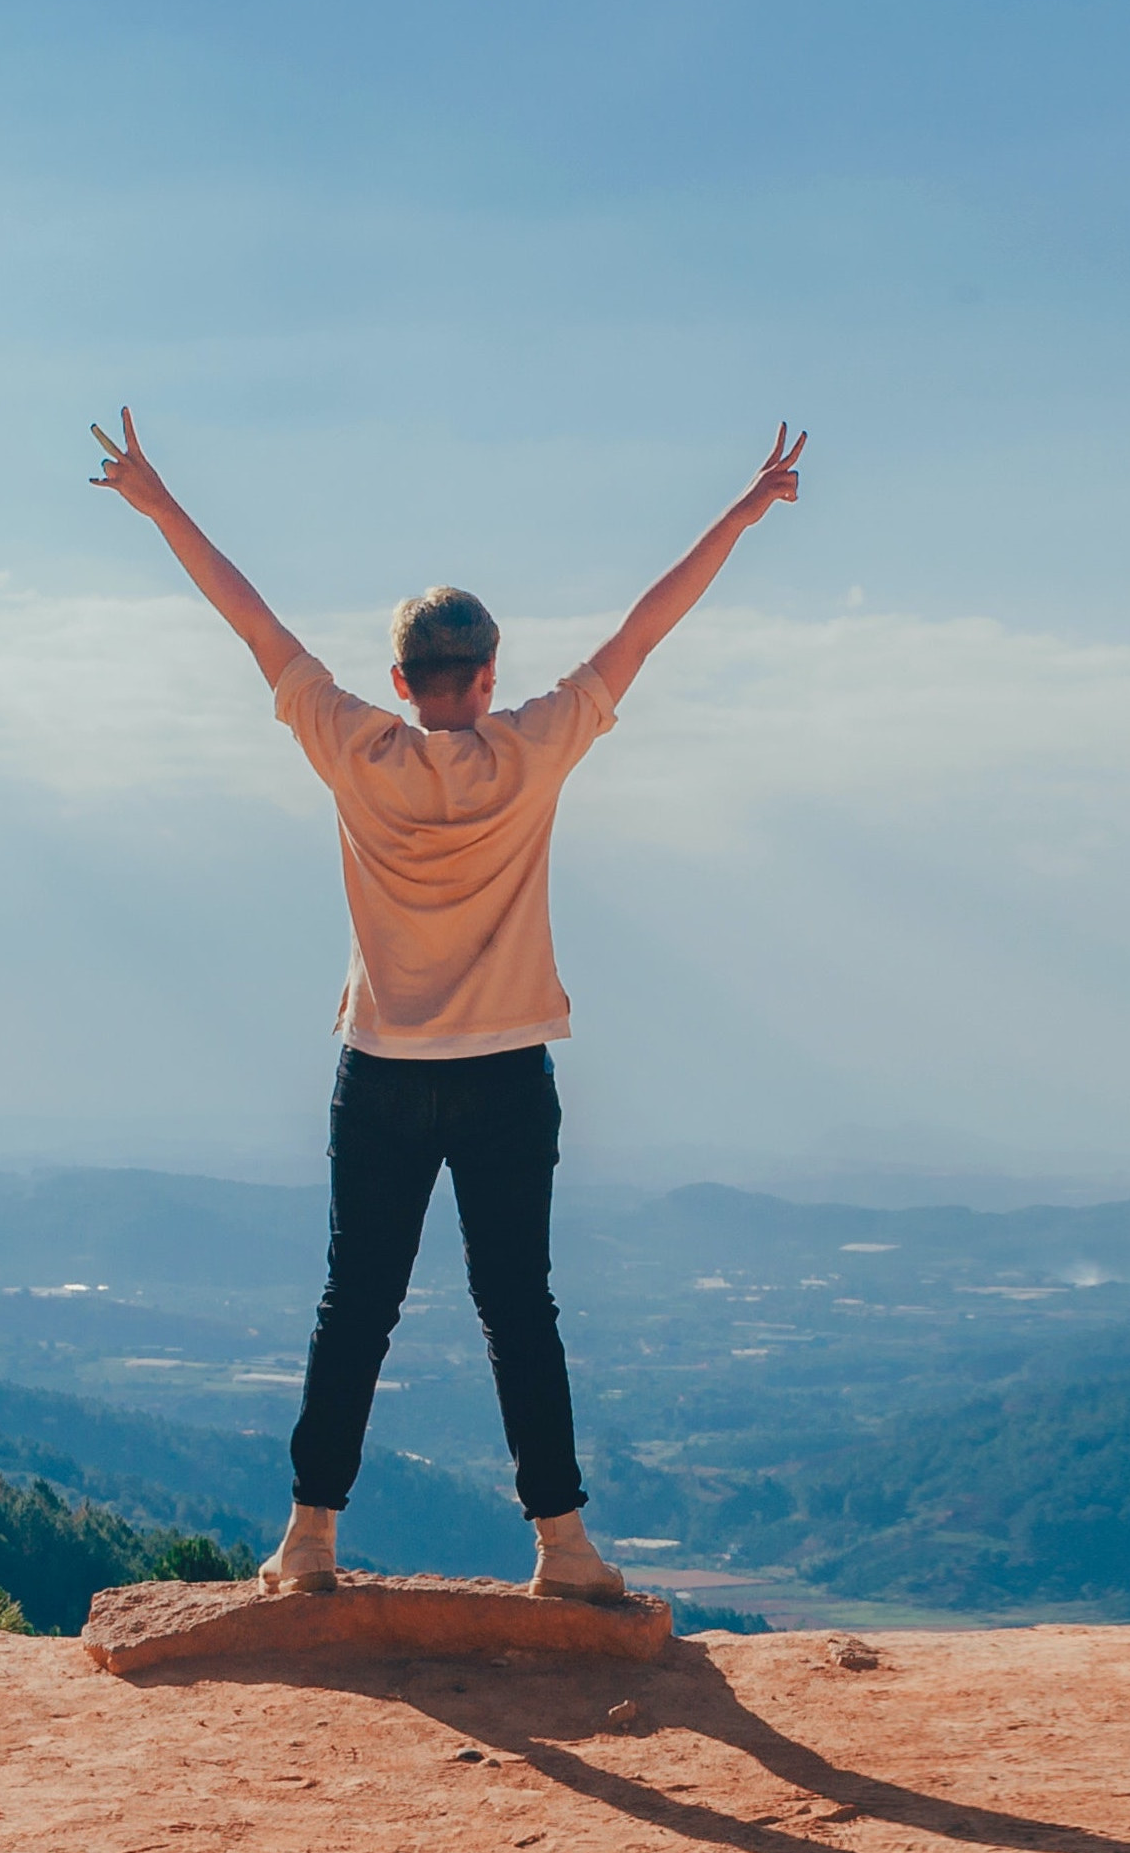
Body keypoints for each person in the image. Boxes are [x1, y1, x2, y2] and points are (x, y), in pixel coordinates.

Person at [88, 408, 805, 1601]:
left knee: (353, 1305)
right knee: (517, 1306)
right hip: (506, 1071)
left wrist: (158, 502)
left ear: (398, 682)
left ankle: (308, 1542)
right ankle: (562, 1547)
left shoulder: (351, 747)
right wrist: (738, 512)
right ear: (486, 677)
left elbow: (251, 621)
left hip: (379, 1068)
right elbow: (644, 631)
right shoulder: (533, 750)